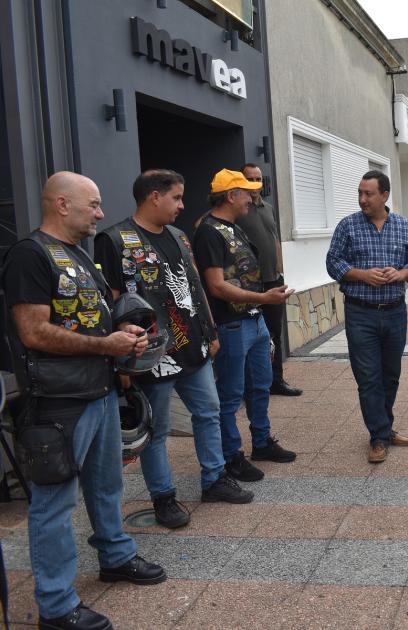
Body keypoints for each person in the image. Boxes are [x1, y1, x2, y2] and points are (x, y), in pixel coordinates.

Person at [2, 171, 165, 630]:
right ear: (60, 204)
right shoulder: (30, 255)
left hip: (100, 391)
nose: (100, 213)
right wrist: (105, 346)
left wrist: (123, 333)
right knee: (54, 503)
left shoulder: (78, 255)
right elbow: (33, 332)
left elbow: (90, 322)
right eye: (92, 205)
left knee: (107, 485)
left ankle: (115, 556)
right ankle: (55, 607)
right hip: (57, 402)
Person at [95, 170, 254, 529]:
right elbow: (113, 303)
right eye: (176, 198)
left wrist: (212, 332)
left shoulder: (180, 237)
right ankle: (163, 497)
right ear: (154, 196)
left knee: (209, 412)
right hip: (151, 356)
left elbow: (195, 287)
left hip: (193, 347)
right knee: (158, 430)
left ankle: (214, 479)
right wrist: (121, 362)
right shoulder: (115, 240)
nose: (182, 205)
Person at [192, 168, 297, 482]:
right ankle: (231, 456)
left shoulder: (233, 227)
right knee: (230, 394)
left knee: (260, 386)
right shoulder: (209, 231)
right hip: (231, 324)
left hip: (253, 320)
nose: (252, 197)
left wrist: (263, 301)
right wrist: (264, 298)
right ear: (230, 196)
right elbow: (216, 287)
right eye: (246, 191)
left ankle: (262, 442)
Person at [325, 170, 408, 463]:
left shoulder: (402, 226)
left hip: (395, 313)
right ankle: (378, 437)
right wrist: (362, 275)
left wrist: (401, 273)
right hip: (361, 314)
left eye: (368, 194)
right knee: (369, 378)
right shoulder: (348, 226)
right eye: (360, 193)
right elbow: (332, 262)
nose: (362, 199)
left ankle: (385, 427)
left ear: (384, 195)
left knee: (390, 376)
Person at [236, 163, 302, 397]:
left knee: (274, 333)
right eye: (250, 179)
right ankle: (249, 386)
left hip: (273, 280)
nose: (255, 184)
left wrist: (280, 270)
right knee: (249, 336)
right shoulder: (237, 209)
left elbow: (274, 238)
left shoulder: (268, 208)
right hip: (250, 285)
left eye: (258, 179)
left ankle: (276, 381)